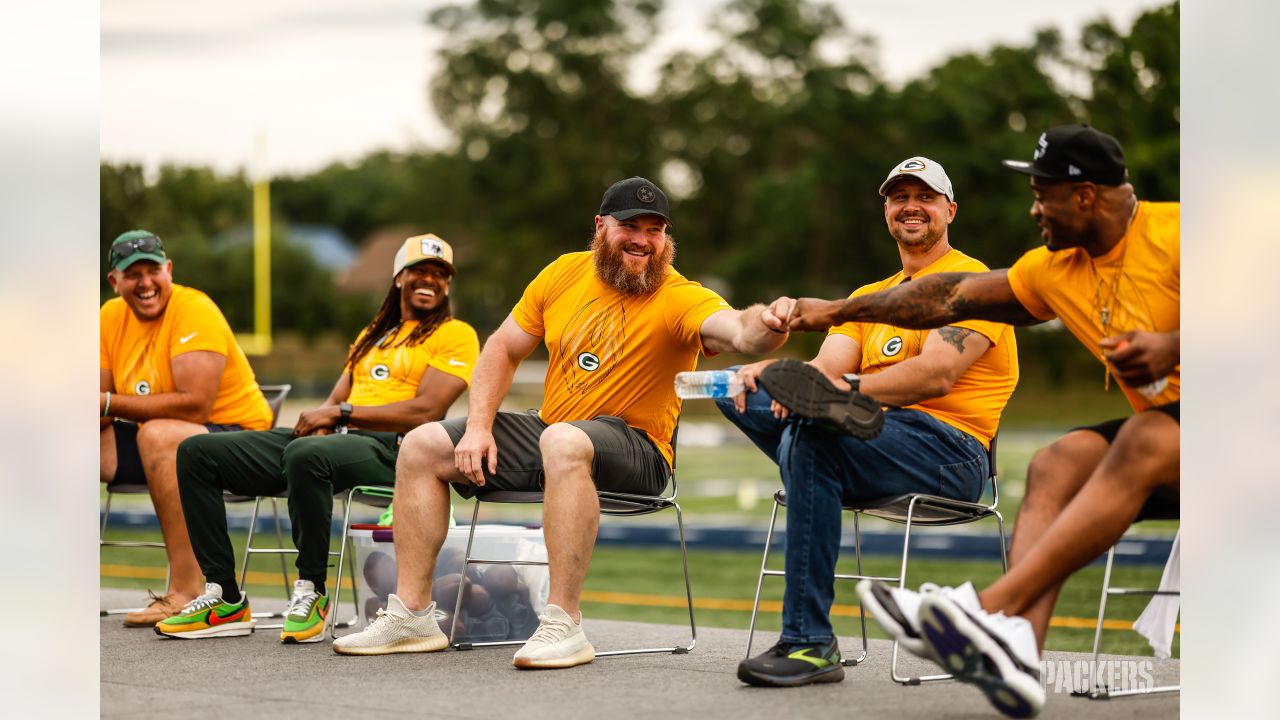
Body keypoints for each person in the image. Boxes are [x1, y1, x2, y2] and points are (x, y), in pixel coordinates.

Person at [785, 125, 1179, 718]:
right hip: (1184, 443)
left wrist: (1175, 343)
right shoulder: (1056, 270)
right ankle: (1018, 649)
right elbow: (944, 299)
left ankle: (988, 611)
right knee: (1058, 461)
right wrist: (838, 311)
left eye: (1042, 194)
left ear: (1086, 196)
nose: (1033, 207)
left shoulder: (1183, 234)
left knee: (1147, 434)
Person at [331, 176, 792, 666]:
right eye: (629, 226)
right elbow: (502, 348)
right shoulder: (563, 274)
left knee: (564, 440)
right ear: (600, 227)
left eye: (654, 229)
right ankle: (413, 617)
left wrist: (770, 321)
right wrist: (479, 426)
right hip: (554, 433)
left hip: (639, 448)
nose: (642, 239)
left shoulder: (681, 296)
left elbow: (741, 330)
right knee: (423, 444)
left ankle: (564, 623)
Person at [719, 157, 1019, 687]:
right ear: (886, 211)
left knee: (813, 434)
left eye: (924, 196)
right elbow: (822, 373)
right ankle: (814, 457)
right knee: (738, 393)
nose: (911, 206)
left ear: (949, 210)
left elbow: (936, 375)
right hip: (871, 435)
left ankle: (809, 643)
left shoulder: (975, 284)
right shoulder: (866, 299)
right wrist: (774, 373)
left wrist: (833, 394)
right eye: (899, 196)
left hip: (950, 451)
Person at [158, 235, 479, 643]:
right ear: (399, 278)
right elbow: (332, 404)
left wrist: (339, 414)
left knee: (309, 454)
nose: (430, 280)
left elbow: (427, 410)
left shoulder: (457, 334)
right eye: (420, 271)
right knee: (197, 452)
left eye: (440, 274)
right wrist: (327, 417)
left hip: (396, 450)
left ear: (447, 285)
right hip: (335, 444)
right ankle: (224, 597)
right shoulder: (371, 336)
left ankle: (312, 590)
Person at [101, 230, 274, 627]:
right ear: (115, 282)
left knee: (158, 435)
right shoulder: (109, 316)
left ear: (169, 270)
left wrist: (107, 403)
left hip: (239, 439)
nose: (145, 283)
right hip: (166, 441)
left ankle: (187, 591)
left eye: (153, 271)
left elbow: (196, 404)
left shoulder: (194, 308)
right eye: (133, 274)